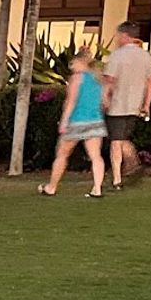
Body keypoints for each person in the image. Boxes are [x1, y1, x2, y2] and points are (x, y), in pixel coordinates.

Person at [41, 49, 109, 198]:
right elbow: (105, 102)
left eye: (73, 63)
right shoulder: (99, 79)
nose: (71, 66)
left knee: (62, 154)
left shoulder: (77, 78)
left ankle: (51, 187)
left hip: (77, 121)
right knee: (96, 156)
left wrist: (64, 121)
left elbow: (70, 102)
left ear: (80, 62)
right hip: (95, 120)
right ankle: (97, 188)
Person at [102, 20, 151, 190]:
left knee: (116, 141)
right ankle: (133, 163)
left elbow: (109, 80)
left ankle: (118, 178)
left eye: (118, 35)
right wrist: (147, 104)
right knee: (123, 138)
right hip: (135, 104)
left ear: (125, 36)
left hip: (118, 104)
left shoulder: (117, 56)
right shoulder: (145, 56)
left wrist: (105, 99)